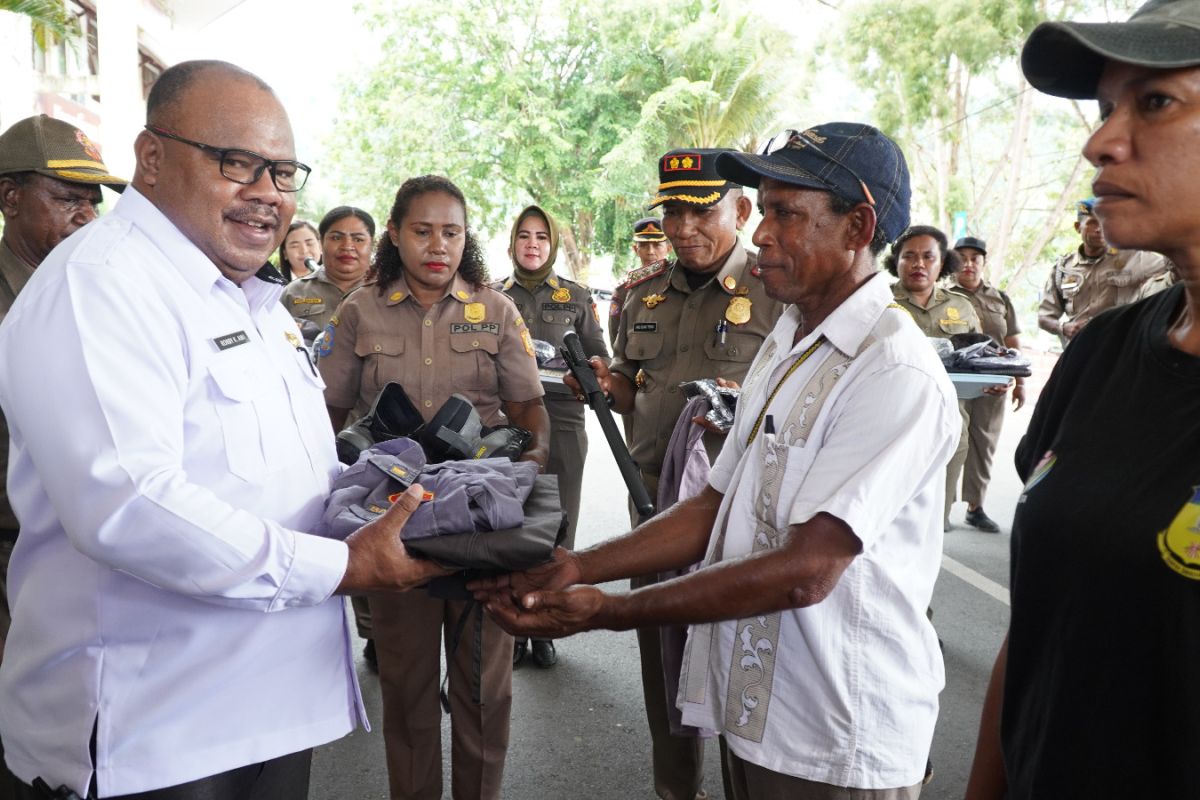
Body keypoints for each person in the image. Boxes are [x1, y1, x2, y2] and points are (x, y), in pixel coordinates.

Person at [0, 60, 445, 800]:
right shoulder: (101, 282)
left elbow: (283, 475)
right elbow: (129, 504)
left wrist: (401, 506)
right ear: (151, 159)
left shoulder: (248, 298)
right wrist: (343, 568)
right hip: (151, 742)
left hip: (269, 719)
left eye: (282, 172)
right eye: (238, 164)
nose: (267, 192)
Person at [477, 122, 958, 800]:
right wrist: (577, 568)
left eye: (786, 214)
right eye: (764, 210)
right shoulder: (791, 335)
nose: (762, 233)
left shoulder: (892, 368)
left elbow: (804, 571)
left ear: (857, 227)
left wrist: (600, 612)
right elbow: (714, 505)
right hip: (757, 713)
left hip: (834, 738)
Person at [966, 2, 1200, 797]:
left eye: (1156, 101)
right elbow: (1036, 632)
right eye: (1103, 110)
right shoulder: (1102, 351)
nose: (1099, 140)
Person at [318, 175, 549, 800]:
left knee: (482, 689)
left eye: (452, 232)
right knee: (408, 689)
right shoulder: (357, 311)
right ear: (395, 233)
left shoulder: (496, 309)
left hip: (478, 525)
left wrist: (527, 495)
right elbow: (328, 417)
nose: (437, 245)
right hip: (394, 528)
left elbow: (529, 411)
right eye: (422, 231)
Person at [590, 147, 785, 800]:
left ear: (741, 209)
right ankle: (677, 791)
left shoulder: (776, 291)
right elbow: (630, 382)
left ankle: (745, 787)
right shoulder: (641, 295)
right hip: (652, 509)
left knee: (741, 661)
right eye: (672, 212)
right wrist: (607, 385)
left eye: (699, 212)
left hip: (739, 512)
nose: (681, 228)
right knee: (664, 659)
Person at [494, 204, 608, 669]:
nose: (533, 244)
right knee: (509, 521)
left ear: (553, 245)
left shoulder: (576, 298)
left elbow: (601, 359)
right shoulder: (491, 296)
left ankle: (548, 621)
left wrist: (592, 373)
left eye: (542, 236)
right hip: (505, 423)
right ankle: (512, 626)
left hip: (562, 419)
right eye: (525, 235)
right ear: (512, 243)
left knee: (559, 522)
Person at [886, 225, 983, 528]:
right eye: (909, 256)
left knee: (934, 521)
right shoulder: (878, 302)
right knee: (890, 515)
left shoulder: (962, 307)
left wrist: (992, 382)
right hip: (892, 421)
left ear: (942, 264)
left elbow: (979, 357)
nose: (918, 264)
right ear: (896, 262)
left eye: (928, 257)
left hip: (951, 423)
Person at [951, 236, 1025, 532]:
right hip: (955, 380)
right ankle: (940, 507)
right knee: (951, 441)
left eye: (975, 258)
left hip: (992, 383)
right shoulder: (942, 296)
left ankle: (975, 506)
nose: (968, 264)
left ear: (983, 263)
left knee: (984, 443)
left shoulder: (999, 298)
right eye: (962, 258)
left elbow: (1012, 341)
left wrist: (1019, 382)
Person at [1036, 198, 1167, 344]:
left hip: (1119, 352)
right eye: (1093, 223)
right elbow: (1044, 317)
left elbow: (1177, 268)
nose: (1100, 229)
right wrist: (1064, 327)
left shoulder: (1135, 258)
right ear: (1078, 227)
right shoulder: (1063, 269)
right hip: (1077, 353)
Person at [281, 205, 374, 330]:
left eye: (358, 239)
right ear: (321, 243)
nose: (347, 246)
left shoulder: (391, 289)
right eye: (336, 238)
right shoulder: (293, 293)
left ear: (372, 244)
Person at [609, 216, 672, 345]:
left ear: (669, 248)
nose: (650, 252)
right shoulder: (623, 290)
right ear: (635, 249)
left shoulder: (679, 282)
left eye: (657, 245)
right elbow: (615, 337)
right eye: (643, 245)